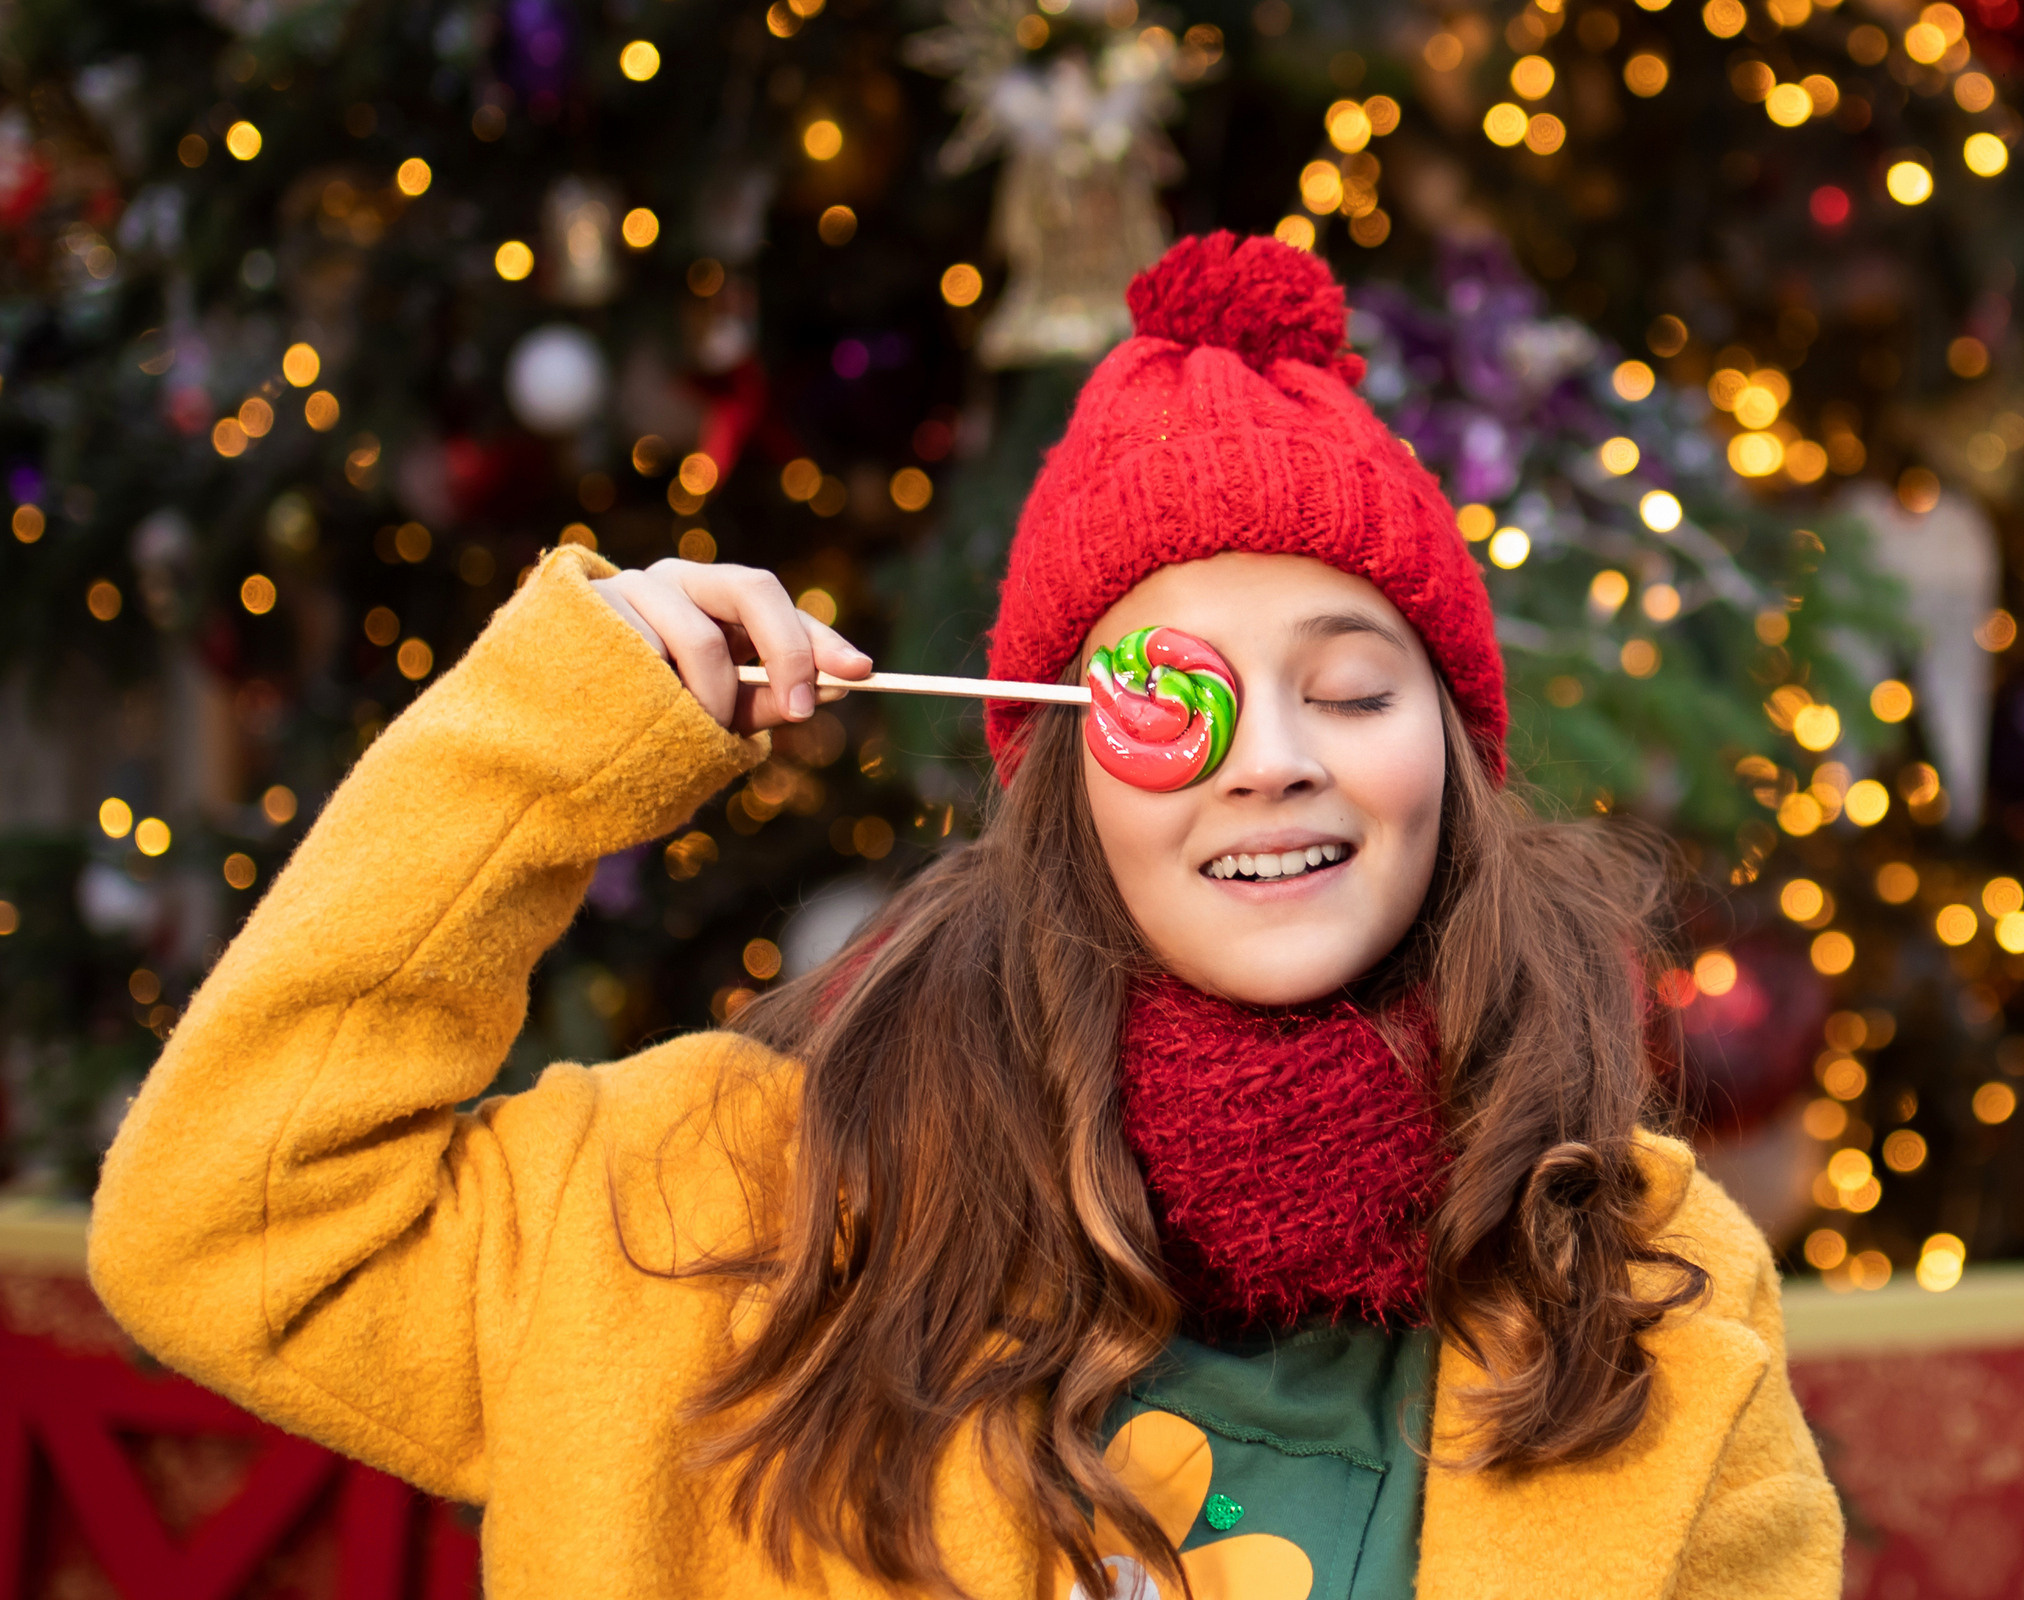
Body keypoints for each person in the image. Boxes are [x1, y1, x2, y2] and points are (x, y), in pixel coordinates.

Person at [89, 233, 1840, 1599]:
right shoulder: (724, 1209)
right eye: (1183, 693)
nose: (1277, 763)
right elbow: (233, 1224)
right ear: (1060, 772)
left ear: (1455, 758)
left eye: (1355, 688)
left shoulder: (1642, 1294)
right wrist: (551, 744)